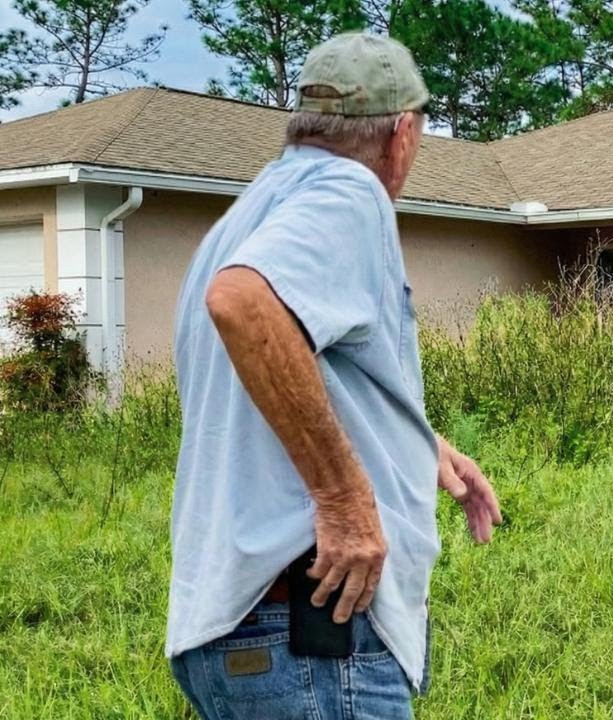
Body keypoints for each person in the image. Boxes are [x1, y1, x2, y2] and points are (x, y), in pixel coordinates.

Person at [165, 33, 501, 719]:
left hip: (234, 631)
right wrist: (344, 499)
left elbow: (292, 362)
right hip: (314, 639)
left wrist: (416, 444)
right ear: (403, 134)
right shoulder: (351, 193)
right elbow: (244, 303)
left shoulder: (249, 212)